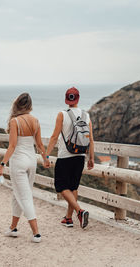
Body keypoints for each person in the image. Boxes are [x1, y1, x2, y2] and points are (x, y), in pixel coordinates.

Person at [0, 93, 50, 243]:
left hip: (18, 162)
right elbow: (39, 145)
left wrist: (2, 165)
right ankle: (13, 228)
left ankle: (36, 233)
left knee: (24, 196)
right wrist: (45, 159)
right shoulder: (35, 121)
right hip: (31, 161)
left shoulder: (15, 122)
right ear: (30, 105)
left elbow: (12, 145)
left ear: (18, 104)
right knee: (17, 194)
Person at [46, 87, 95, 229]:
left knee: (61, 187)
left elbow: (54, 137)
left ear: (67, 99)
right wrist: (91, 157)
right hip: (80, 156)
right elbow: (91, 139)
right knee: (73, 186)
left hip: (65, 155)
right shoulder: (86, 115)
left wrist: (46, 155)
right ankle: (68, 218)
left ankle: (80, 211)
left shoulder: (62, 114)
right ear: (78, 99)